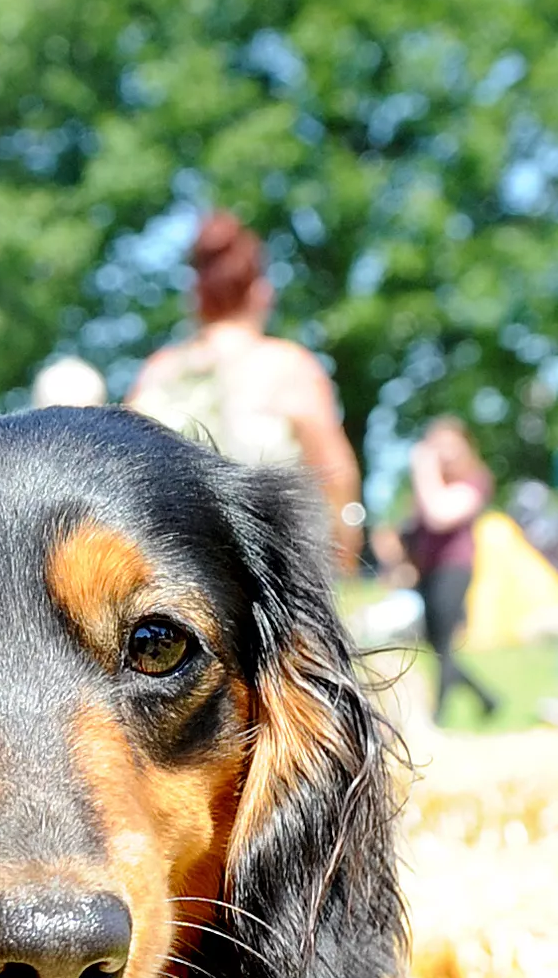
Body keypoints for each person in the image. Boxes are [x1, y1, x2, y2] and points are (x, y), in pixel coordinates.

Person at [127, 212, 364, 562]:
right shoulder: (288, 366)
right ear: (259, 291)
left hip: (173, 574)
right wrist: (347, 546)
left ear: (196, 295)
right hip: (271, 575)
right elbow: (336, 476)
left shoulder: (157, 374)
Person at [405, 417, 499, 725]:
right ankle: (488, 698)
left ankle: (438, 717)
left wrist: (424, 469)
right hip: (428, 572)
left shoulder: (474, 479)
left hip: (455, 568)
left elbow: (438, 515)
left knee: (443, 644)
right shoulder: (432, 485)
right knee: (435, 644)